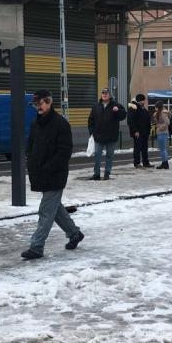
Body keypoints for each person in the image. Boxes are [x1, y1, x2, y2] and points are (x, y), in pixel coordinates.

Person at [21, 90, 83, 260]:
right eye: (35, 104)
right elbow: (31, 145)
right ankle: (74, 233)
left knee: (46, 211)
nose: (38, 107)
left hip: (55, 174)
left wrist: (49, 167)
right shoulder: (36, 123)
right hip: (40, 172)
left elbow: (64, 152)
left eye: (40, 103)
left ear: (49, 102)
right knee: (55, 209)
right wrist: (30, 161)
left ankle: (36, 247)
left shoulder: (61, 124)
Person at [87, 87, 126, 180]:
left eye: (106, 93)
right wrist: (91, 132)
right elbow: (90, 120)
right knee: (97, 155)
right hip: (98, 136)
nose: (104, 94)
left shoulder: (116, 105)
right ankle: (96, 174)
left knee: (109, 156)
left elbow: (123, 115)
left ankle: (107, 173)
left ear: (110, 95)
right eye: (103, 93)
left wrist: (118, 111)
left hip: (111, 136)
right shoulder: (96, 106)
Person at [127, 93, 152, 168]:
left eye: (144, 100)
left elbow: (147, 118)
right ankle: (137, 163)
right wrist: (135, 131)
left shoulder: (143, 108)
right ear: (139, 101)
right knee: (137, 148)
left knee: (145, 148)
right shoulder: (134, 108)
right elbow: (131, 121)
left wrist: (149, 129)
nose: (144, 102)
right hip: (138, 132)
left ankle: (146, 162)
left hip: (145, 132)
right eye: (142, 100)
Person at [153, 102, 171, 169]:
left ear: (158, 107)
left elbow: (167, 122)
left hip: (162, 132)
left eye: (156, 107)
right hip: (162, 132)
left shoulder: (163, 113)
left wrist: (160, 128)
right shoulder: (160, 113)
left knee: (163, 149)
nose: (155, 108)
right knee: (163, 149)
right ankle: (164, 163)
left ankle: (165, 164)